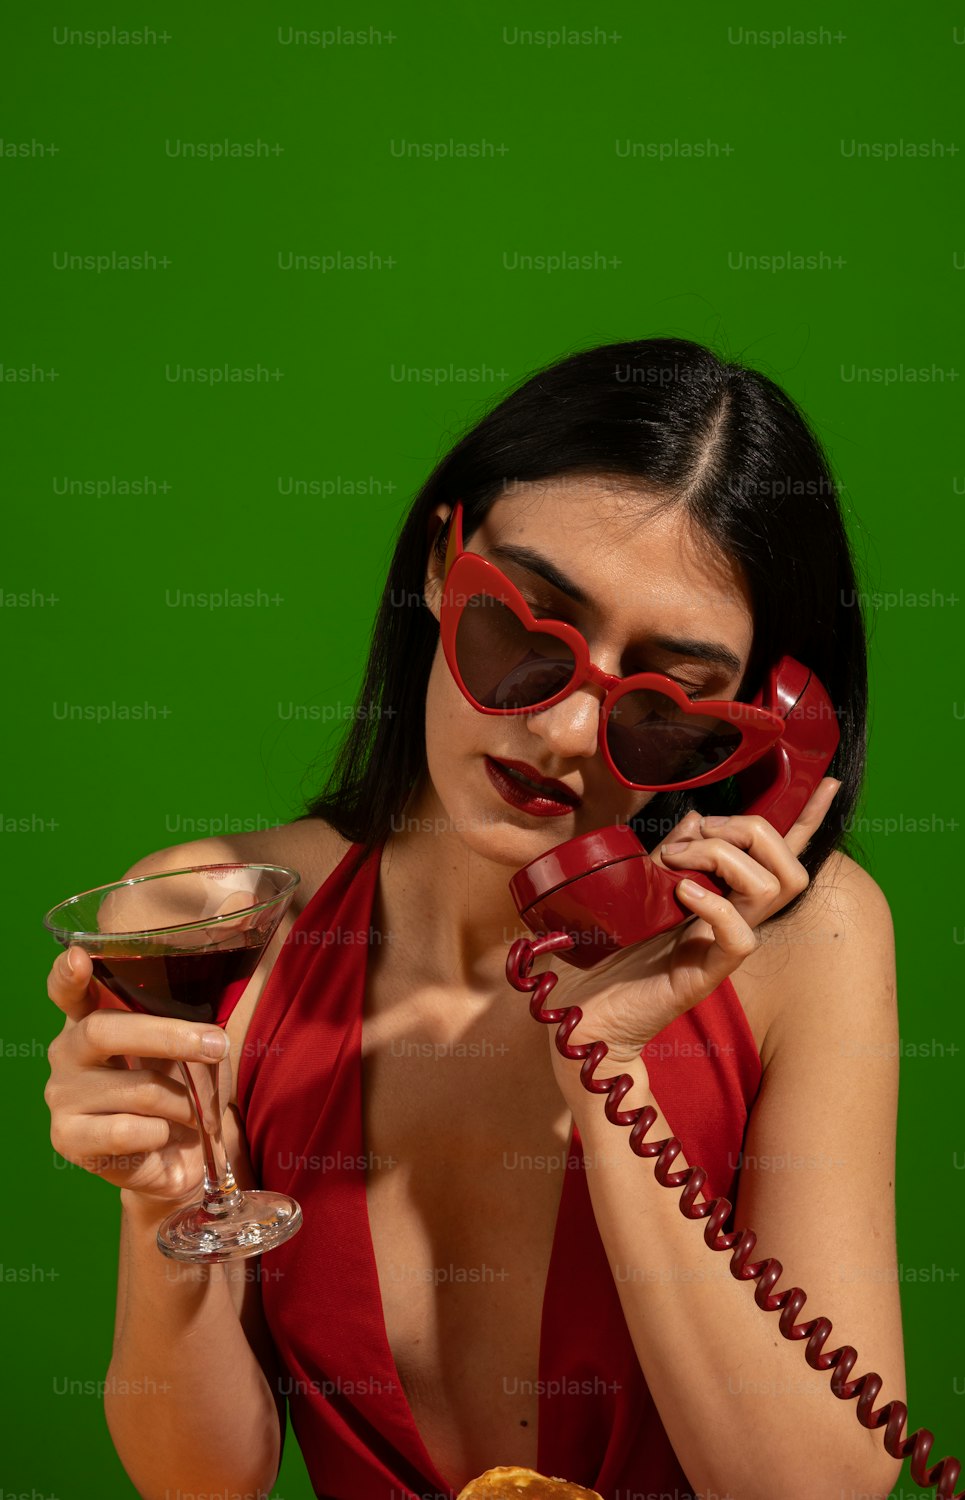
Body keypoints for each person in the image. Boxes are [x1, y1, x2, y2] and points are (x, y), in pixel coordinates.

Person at [44, 337, 907, 1500]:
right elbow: (202, 1483)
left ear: (758, 739)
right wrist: (165, 1199)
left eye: (662, 709)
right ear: (444, 564)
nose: (557, 738)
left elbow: (817, 1491)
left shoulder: (814, 944)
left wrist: (612, 1085)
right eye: (525, 631)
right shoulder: (210, 923)